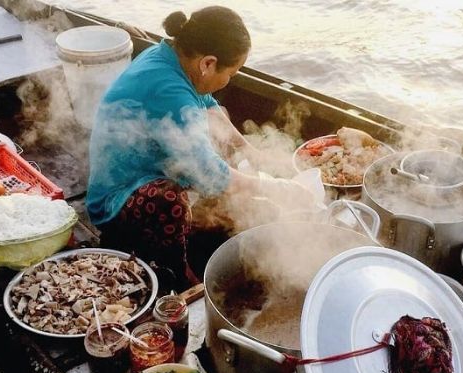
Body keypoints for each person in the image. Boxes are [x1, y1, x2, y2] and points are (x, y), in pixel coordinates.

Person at [86, 6, 311, 289]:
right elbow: (209, 173)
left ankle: (212, 218)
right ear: (208, 63)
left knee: (219, 125)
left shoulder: (171, 58)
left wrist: (249, 151)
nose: (230, 80)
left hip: (150, 164)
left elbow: (209, 107)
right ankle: (178, 276)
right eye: (232, 72)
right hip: (117, 199)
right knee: (170, 202)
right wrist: (276, 189)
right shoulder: (168, 89)